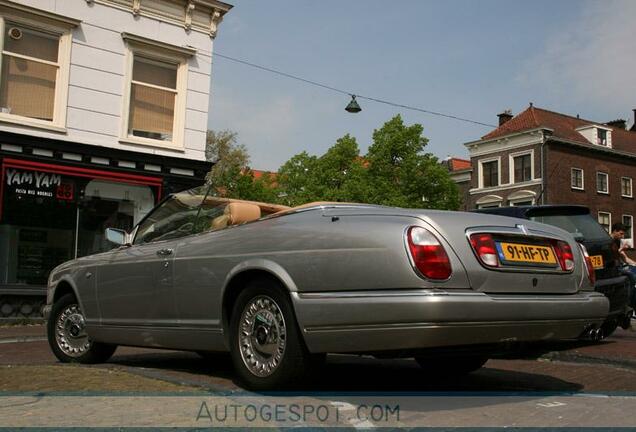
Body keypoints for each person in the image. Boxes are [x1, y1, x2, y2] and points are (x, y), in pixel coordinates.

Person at [611, 223, 636, 309]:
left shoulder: (618, 242)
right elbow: (612, 255)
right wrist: (622, 248)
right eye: (621, 233)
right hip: (611, 268)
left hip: (619, 266)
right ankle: (627, 304)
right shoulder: (609, 241)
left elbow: (625, 258)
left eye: (623, 234)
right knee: (631, 277)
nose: (622, 236)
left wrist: (634, 264)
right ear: (614, 231)